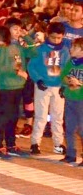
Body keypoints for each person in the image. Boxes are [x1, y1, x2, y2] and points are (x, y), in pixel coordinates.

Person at [27, 21, 69, 155]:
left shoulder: (64, 50)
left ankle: (58, 143)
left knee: (58, 117)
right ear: (47, 35)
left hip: (58, 87)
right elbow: (31, 66)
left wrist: (65, 85)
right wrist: (38, 79)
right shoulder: (40, 49)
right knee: (41, 116)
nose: (56, 41)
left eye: (59, 38)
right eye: (53, 37)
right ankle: (35, 143)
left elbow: (67, 68)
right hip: (43, 86)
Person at [0, 23, 27, 158]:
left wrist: (27, 36)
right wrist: (17, 72)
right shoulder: (2, 48)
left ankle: (11, 144)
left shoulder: (18, 47)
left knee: (14, 117)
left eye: (20, 29)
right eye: (15, 29)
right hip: (6, 87)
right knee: (3, 117)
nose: (18, 32)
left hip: (18, 86)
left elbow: (33, 52)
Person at [61, 38, 83, 165]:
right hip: (70, 98)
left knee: (82, 129)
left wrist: (79, 83)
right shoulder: (71, 62)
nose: (71, 49)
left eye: (74, 47)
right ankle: (70, 154)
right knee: (69, 127)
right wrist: (68, 80)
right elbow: (63, 75)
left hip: (81, 100)